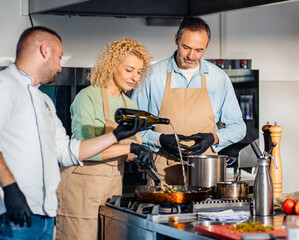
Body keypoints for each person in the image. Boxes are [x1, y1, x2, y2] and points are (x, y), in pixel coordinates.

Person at [0, 26, 153, 239]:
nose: (61, 67)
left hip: (44, 211)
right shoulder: (5, 86)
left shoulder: (42, 100)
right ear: (44, 51)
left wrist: (119, 138)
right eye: (59, 57)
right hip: (16, 210)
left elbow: (66, 150)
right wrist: (10, 190)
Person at [55, 38, 153, 240]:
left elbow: (130, 151)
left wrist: (140, 155)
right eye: (129, 70)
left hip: (112, 188)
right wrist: (130, 149)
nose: (134, 77)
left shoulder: (130, 105)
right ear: (111, 65)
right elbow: (84, 150)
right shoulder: (87, 97)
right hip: (81, 190)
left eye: (139, 72)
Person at [131, 17, 246, 185]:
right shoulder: (151, 75)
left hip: (207, 171)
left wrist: (212, 138)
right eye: (186, 47)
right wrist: (159, 139)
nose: (191, 56)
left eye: (199, 50)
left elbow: (238, 127)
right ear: (176, 39)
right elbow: (133, 128)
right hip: (162, 171)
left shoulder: (218, 78)